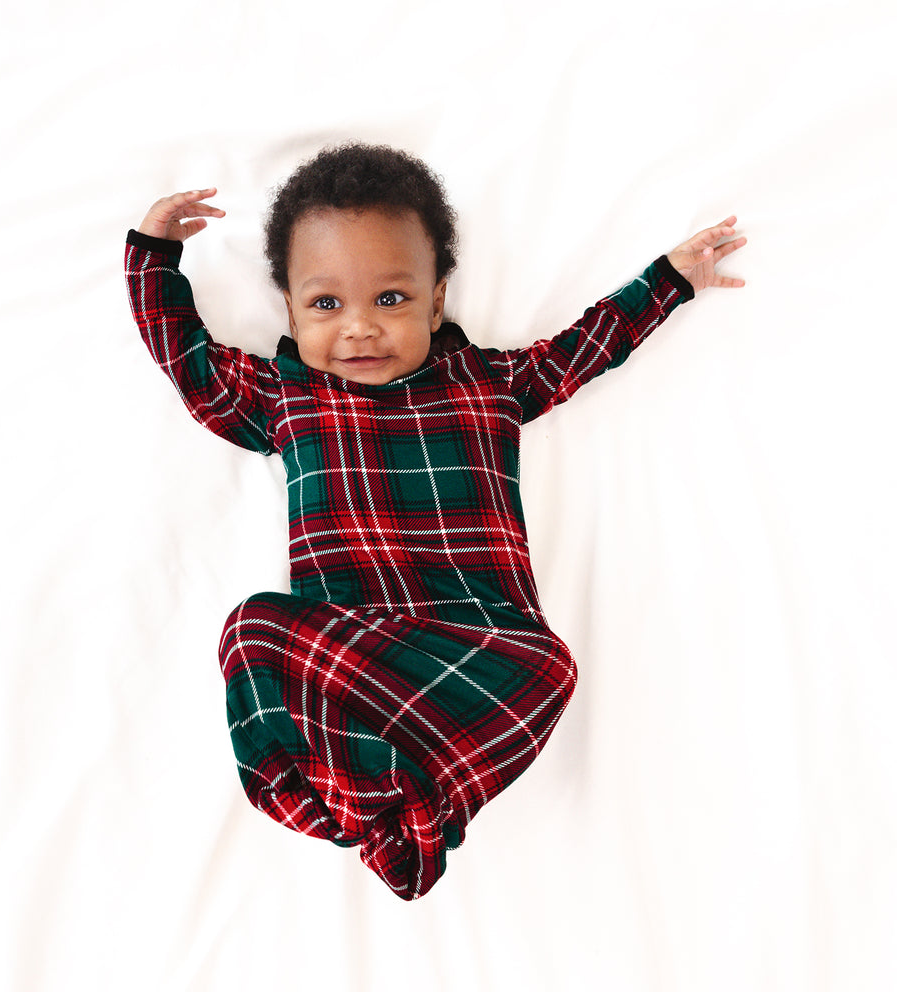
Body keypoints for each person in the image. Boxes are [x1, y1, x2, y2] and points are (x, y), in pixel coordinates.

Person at [125, 143, 746, 900]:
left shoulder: (488, 382)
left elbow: (588, 346)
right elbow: (188, 360)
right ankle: (401, 820)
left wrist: (672, 278)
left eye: (390, 300)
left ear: (436, 299)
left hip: (485, 640)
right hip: (357, 654)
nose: (360, 330)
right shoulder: (286, 397)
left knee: (549, 670)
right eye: (326, 305)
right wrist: (155, 255)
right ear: (288, 308)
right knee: (252, 633)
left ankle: (402, 816)